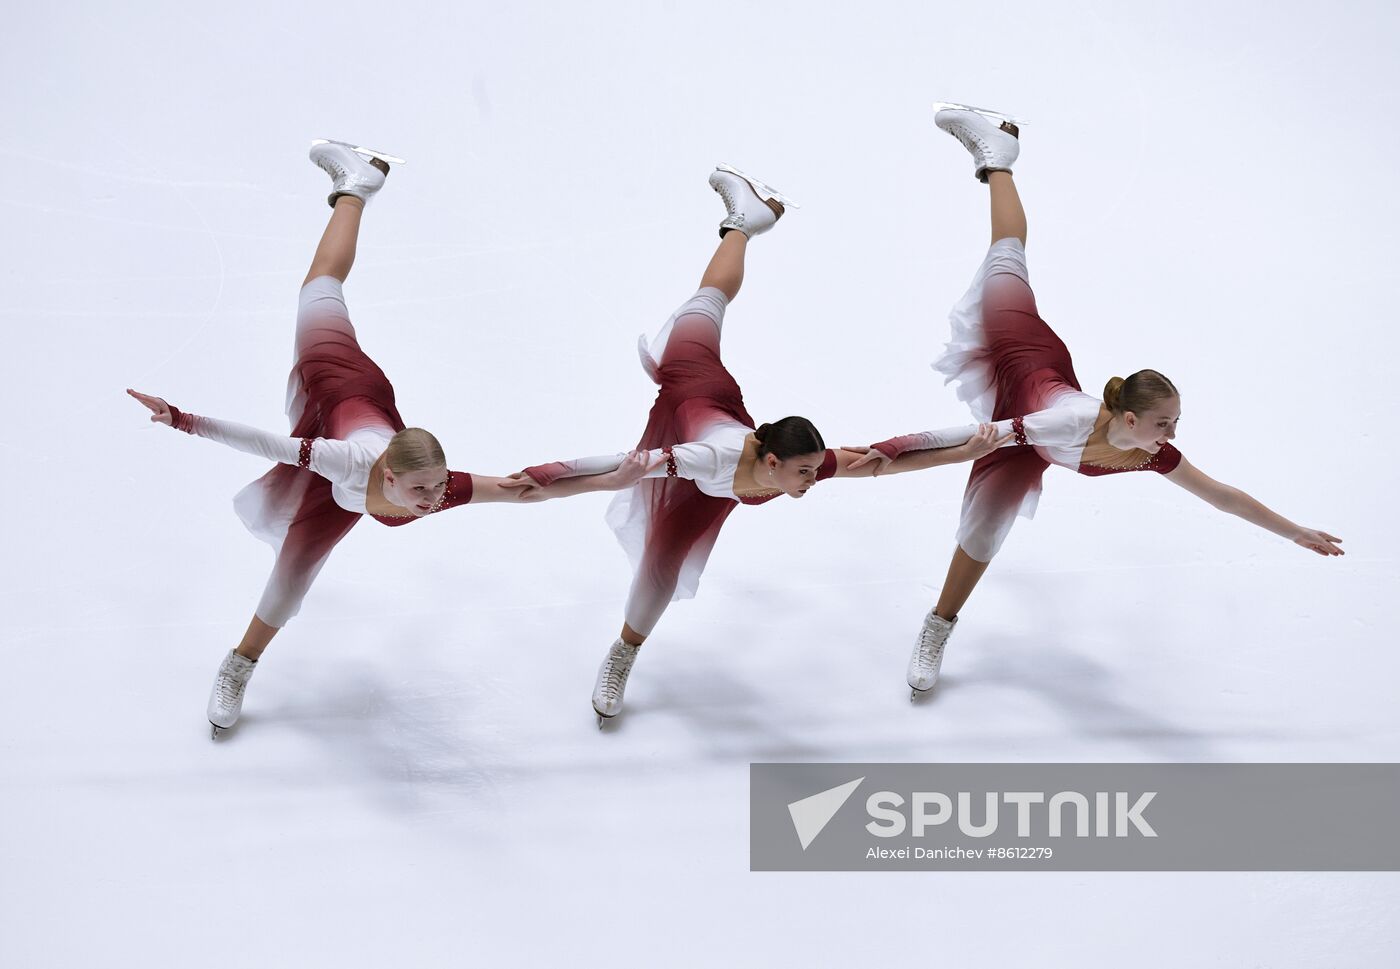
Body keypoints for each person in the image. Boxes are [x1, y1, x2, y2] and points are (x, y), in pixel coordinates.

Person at [128, 140, 641, 738]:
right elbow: (261, 442)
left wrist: (620, 476)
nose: (432, 502)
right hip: (335, 377)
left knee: (291, 576)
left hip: (366, 401)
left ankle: (354, 187)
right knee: (319, 288)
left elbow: (526, 489)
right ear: (388, 476)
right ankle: (356, 184)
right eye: (423, 491)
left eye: (435, 489)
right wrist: (182, 418)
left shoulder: (434, 485)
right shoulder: (342, 460)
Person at [849, 104, 1344, 699]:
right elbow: (957, 439)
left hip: (1034, 423)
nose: (1172, 435)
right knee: (1006, 257)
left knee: (983, 530)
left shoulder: (1149, 451)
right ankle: (998, 159)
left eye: (1176, 423)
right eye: (1165, 423)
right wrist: (882, 454)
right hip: (1021, 350)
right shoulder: (1069, 421)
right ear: (1129, 419)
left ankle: (935, 624)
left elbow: (1222, 497)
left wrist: (1295, 534)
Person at [510, 165, 1006, 725]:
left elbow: (878, 461)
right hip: (689, 387)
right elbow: (618, 464)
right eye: (803, 474)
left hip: (717, 411)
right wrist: (545, 477)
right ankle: (742, 221)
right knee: (707, 302)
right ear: (773, 463)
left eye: (812, 472)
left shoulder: (796, 465)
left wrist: (968, 449)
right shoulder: (708, 457)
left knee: (664, 566)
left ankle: (746, 219)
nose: (812, 481)